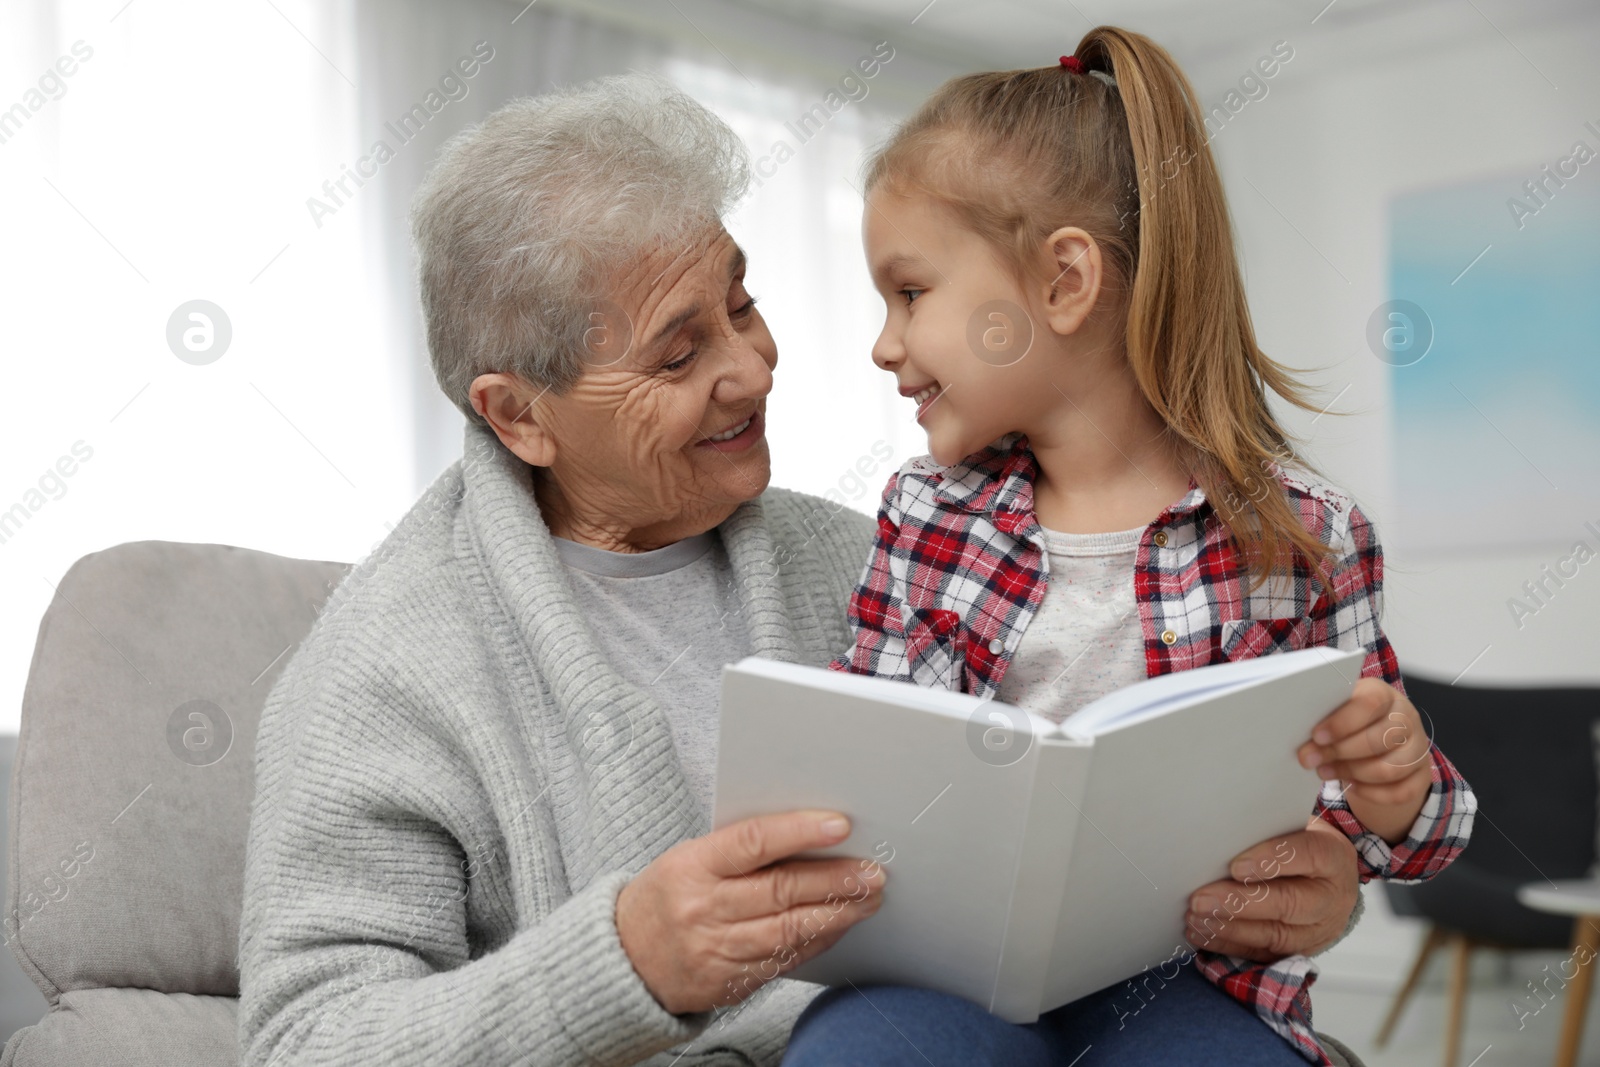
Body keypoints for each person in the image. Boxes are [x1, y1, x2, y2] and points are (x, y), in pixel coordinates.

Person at [238, 69, 1392, 1067]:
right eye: (680, 350)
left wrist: (1313, 883)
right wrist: (622, 960)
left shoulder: (884, 554)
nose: (753, 367)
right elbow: (307, 1042)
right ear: (519, 415)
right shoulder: (384, 670)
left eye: (742, 301)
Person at [801, 26, 1475, 1067]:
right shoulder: (924, 514)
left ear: (1065, 281)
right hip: (952, 974)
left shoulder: (1304, 534)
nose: (884, 342)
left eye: (912, 292)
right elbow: (877, 777)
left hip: (1189, 981)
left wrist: (1383, 794)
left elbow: (1404, 828)